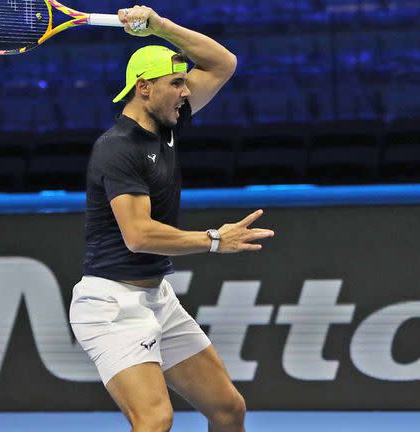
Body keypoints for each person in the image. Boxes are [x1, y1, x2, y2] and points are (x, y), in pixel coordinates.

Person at [69, 6, 275, 432]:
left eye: (185, 82)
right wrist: (215, 240)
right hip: (111, 305)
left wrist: (159, 26)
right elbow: (139, 236)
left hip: (156, 298)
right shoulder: (117, 148)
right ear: (144, 89)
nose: (186, 91)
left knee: (227, 409)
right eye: (176, 83)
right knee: (155, 419)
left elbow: (223, 63)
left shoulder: (167, 124)